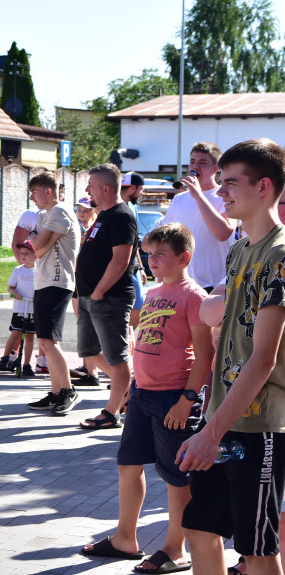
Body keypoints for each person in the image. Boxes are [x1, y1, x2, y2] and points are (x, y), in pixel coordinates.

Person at [80, 222, 212, 574]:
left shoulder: (194, 296)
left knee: (176, 476)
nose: (152, 261)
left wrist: (187, 400)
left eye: (160, 255)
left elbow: (204, 356)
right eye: (149, 254)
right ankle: (126, 538)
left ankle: (175, 548)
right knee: (128, 463)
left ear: (183, 258)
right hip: (142, 394)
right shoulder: (153, 293)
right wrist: (130, 390)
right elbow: (145, 344)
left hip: (174, 398)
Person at [179, 139, 285, 575]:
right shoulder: (241, 248)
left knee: (257, 550)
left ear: (264, 187)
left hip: (259, 425)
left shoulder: (279, 256)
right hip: (222, 418)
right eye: (219, 182)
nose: (219, 192)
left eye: (229, 184)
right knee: (200, 529)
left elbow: (262, 359)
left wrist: (211, 432)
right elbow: (221, 325)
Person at [76, 163, 137, 430]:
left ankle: (112, 412)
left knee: (116, 355)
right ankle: (131, 388)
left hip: (110, 298)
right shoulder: (103, 215)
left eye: (90, 184)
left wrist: (99, 291)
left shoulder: (121, 216)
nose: (87, 189)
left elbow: (121, 260)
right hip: (91, 297)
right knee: (89, 351)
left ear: (106, 188)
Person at [26, 172, 81, 416]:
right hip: (43, 281)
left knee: (48, 340)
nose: (31, 197)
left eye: (34, 192)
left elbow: (36, 247)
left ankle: (68, 390)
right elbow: (37, 249)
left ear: (48, 191)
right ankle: (56, 391)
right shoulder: (43, 215)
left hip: (57, 282)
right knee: (46, 340)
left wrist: (36, 239)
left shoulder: (60, 211)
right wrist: (37, 241)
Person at [156, 142, 236, 293]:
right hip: (180, 284)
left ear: (215, 169)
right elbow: (165, 241)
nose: (195, 167)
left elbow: (223, 233)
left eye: (202, 163)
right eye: (192, 162)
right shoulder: (179, 199)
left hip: (214, 285)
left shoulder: (224, 196)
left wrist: (198, 195)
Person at [1, 239, 37, 376]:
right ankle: (4, 358)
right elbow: (11, 287)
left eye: (27, 253)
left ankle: (26, 364)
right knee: (15, 333)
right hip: (20, 308)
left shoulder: (39, 271)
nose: (23, 256)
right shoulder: (18, 271)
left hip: (33, 309)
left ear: (36, 255)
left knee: (29, 336)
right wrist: (14, 293)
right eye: (22, 253)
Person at [121, 171, 149, 329]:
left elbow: (134, 241)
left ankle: (128, 343)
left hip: (134, 267)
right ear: (132, 188)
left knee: (138, 308)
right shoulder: (116, 208)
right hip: (122, 267)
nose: (142, 193)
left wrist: (141, 267)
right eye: (141, 189)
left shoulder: (133, 206)